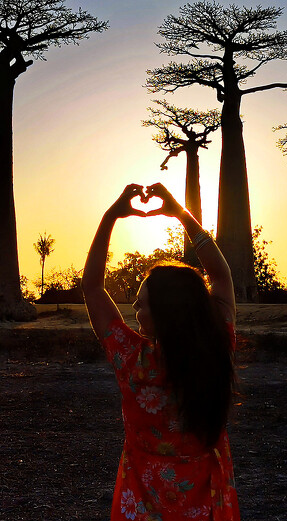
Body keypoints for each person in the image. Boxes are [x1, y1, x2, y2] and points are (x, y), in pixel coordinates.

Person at [82, 183, 239, 521]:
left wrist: (111, 217)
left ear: (165, 314)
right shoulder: (215, 347)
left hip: (141, 503)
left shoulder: (131, 359)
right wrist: (182, 215)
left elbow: (93, 286)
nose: (135, 305)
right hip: (206, 504)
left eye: (142, 303)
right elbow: (222, 276)